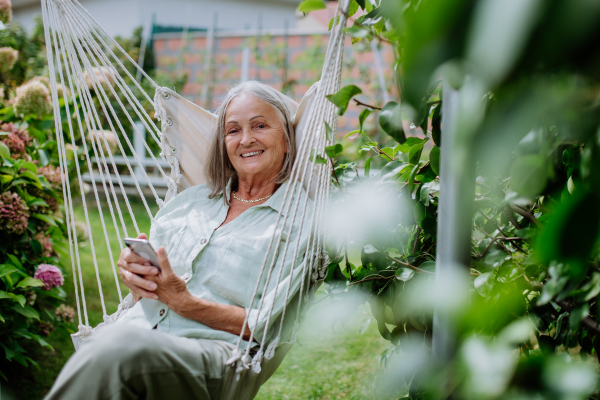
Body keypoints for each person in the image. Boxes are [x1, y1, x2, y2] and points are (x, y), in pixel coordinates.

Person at [45, 81, 313, 400]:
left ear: (286, 138)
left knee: (113, 350)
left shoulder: (303, 221)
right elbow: (150, 293)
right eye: (232, 130)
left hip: (216, 355)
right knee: (112, 350)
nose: (246, 139)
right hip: (139, 333)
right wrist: (138, 277)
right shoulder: (190, 202)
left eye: (259, 125)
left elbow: (271, 325)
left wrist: (185, 303)